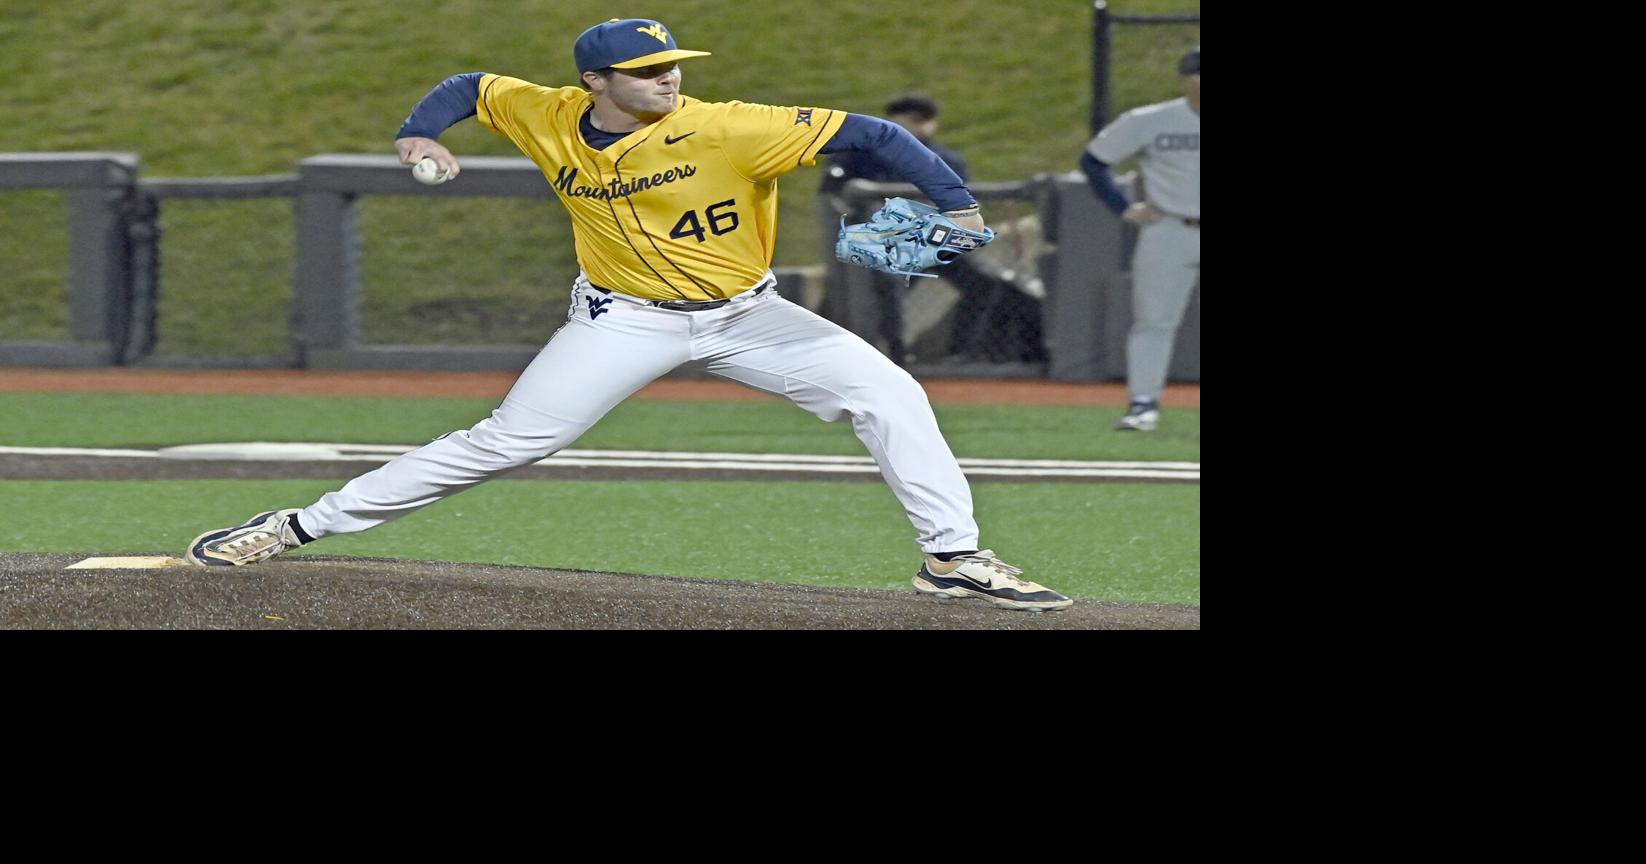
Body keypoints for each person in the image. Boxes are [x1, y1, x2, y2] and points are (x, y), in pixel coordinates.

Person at [183, 18, 1071, 612]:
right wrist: (421, 131)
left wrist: (955, 206)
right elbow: (471, 85)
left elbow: (878, 134)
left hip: (749, 315)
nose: (667, 78)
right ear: (594, 82)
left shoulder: (730, 127)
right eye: (646, 72)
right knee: (505, 441)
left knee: (891, 395)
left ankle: (952, 558)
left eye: (672, 64)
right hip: (623, 320)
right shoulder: (548, 113)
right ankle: (294, 526)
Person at [821, 96, 1041, 365]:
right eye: (913, 120)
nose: (921, 127)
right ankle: (895, 353)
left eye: (926, 121)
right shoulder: (861, 153)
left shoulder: (945, 159)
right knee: (886, 286)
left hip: (934, 239)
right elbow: (833, 193)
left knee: (985, 283)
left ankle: (961, 353)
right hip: (882, 244)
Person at [1081, 47, 1200, 432]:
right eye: (1197, 74)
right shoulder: (1151, 120)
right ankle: (1143, 403)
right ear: (1185, 80)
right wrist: (1123, 207)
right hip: (1170, 228)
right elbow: (1094, 160)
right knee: (1154, 320)